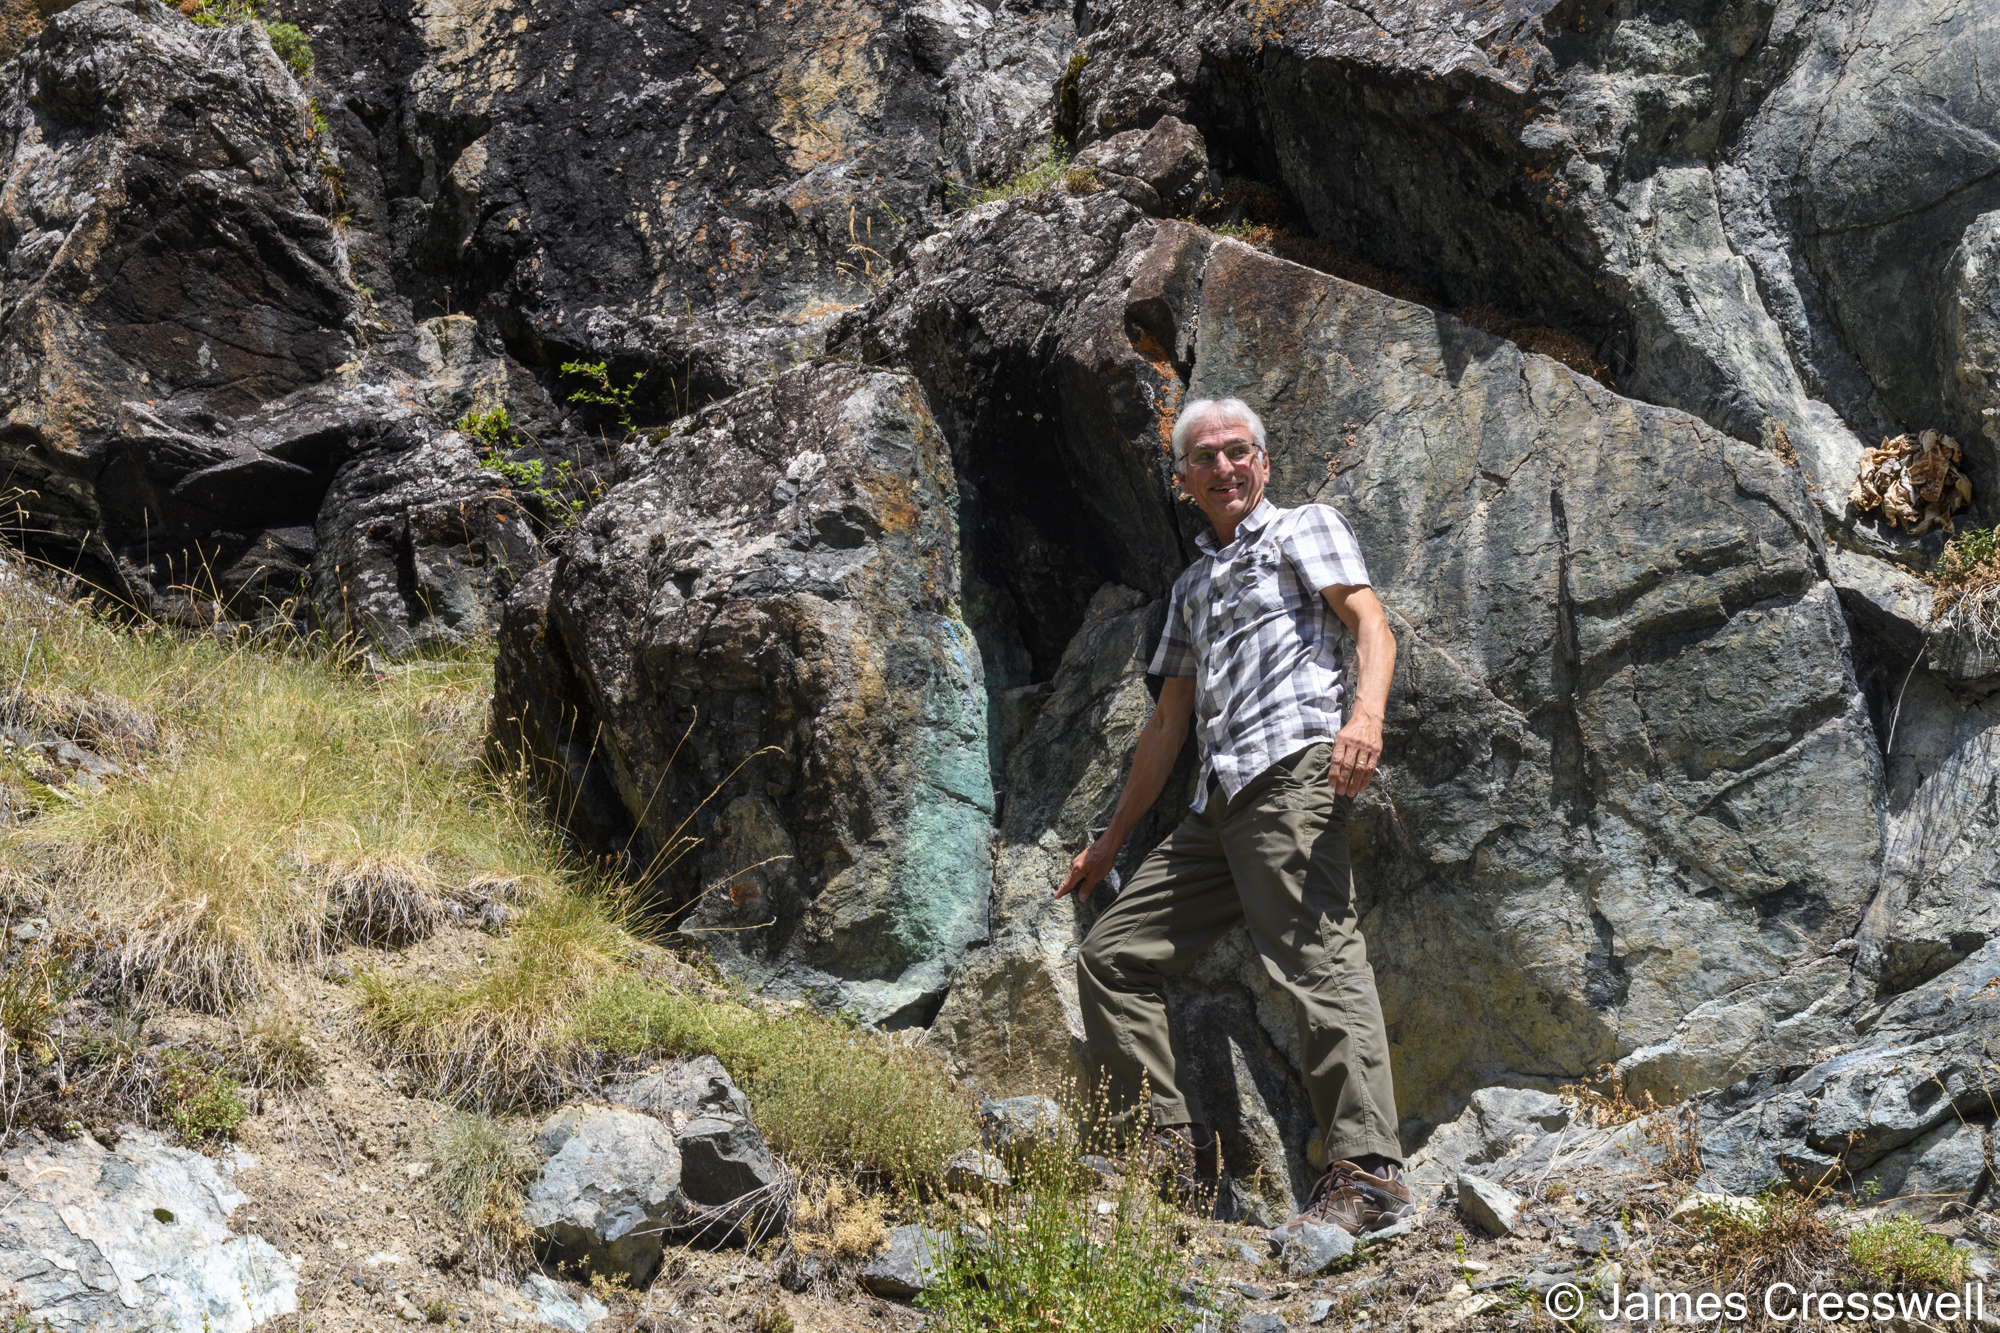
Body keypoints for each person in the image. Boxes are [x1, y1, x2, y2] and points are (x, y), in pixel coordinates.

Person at [1055, 396, 1411, 1237]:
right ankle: (1166, 1145)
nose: (1224, 467)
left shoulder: (1302, 528)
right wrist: (1110, 845)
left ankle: (1370, 1171)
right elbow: (1167, 725)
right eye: (1205, 458)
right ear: (1184, 481)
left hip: (1290, 772)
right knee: (1111, 953)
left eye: (1237, 450)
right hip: (1214, 807)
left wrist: (1365, 718)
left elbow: (1371, 623)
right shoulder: (1190, 587)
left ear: (1263, 460)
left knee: (1318, 956)